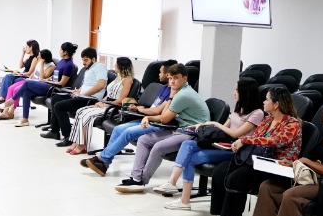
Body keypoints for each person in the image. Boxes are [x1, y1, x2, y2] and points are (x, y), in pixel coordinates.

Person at [208, 87, 306, 216]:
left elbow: (276, 141)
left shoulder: (292, 124)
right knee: (222, 171)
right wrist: (240, 142)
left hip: (277, 166)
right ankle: (227, 215)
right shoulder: (267, 119)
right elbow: (256, 138)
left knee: (237, 178)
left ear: (276, 104)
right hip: (260, 161)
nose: (263, 102)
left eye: (267, 99)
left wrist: (245, 140)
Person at [159, 77, 265, 200]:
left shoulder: (257, 113)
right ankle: (172, 183)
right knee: (188, 144)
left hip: (237, 151)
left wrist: (214, 123)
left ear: (246, 93)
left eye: (237, 90)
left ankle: (184, 199)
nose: (234, 93)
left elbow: (235, 134)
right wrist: (203, 126)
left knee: (191, 157)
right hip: (224, 145)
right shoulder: (238, 108)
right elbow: (223, 130)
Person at [113, 62, 211, 192]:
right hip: (180, 129)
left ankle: (141, 180)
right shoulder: (179, 92)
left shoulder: (183, 95)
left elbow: (164, 118)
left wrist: (149, 116)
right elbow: (164, 115)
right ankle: (135, 178)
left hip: (193, 134)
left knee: (158, 147)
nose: (172, 82)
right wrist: (148, 116)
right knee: (144, 139)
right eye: (170, 78)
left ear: (185, 78)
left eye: (175, 78)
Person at [81, 62, 174, 173]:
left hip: (158, 123)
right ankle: (104, 164)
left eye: (160, 72)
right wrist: (139, 108)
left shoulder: (173, 92)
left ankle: (102, 159)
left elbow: (159, 111)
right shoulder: (163, 88)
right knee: (117, 129)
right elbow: (154, 107)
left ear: (168, 74)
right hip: (147, 118)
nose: (158, 74)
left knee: (128, 132)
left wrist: (141, 109)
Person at [65, 57, 134, 155]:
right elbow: (108, 95)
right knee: (80, 111)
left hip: (114, 107)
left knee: (86, 115)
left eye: (116, 64)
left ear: (121, 66)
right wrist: (101, 101)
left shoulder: (127, 80)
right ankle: (75, 142)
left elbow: (121, 99)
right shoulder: (117, 78)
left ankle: (82, 145)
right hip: (107, 104)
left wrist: (105, 104)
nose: (114, 65)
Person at [3, 41, 77, 126]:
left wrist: (47, 81)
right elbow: (55, 76)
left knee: (27, 83)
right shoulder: (62, 61)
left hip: (54, 89)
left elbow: (62, 83)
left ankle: (11, 101)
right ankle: (25, 120)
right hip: (49, 84)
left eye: (61, 50)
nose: (59, 51)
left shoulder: (69, 65)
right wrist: (47, 79)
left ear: (65, 52)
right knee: (27, 92)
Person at [43, 47, 109, 142]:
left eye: (86, 60)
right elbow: (88, 84)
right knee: (55, 98)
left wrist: (83, 94)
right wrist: (78, 90)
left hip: (90, 99)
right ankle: (54, 131)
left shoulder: (100, 67)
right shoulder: (89, 69)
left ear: (93, 59)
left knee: (59, 106)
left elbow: (101, 85)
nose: (83, 62)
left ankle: (68, 136)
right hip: (82, 96)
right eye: (82, 60)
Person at [0, 48, 54, 121]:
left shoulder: (51, 66)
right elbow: (34, 73)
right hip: (30, 80)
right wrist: (29, 77)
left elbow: (41, 78)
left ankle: (11, 112)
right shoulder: (39, 62)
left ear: (44, 58)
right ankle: (5, 111)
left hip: (37, 84)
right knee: (10, 88)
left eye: (39, 56)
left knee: (17, 90)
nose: (38, 57)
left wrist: (41, 63)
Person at [0, 39, 41, 106]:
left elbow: (30, 72)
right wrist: (23, 53)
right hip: (22, 75)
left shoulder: (35, 58)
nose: (25, 48)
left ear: (31, 47)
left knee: (10, 80)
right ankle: (2, 100)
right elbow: (21, 66)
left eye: (26, 47)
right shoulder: (29, 58)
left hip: (26, 77)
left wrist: (20, 74)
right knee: (7, 77)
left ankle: (2, 102)